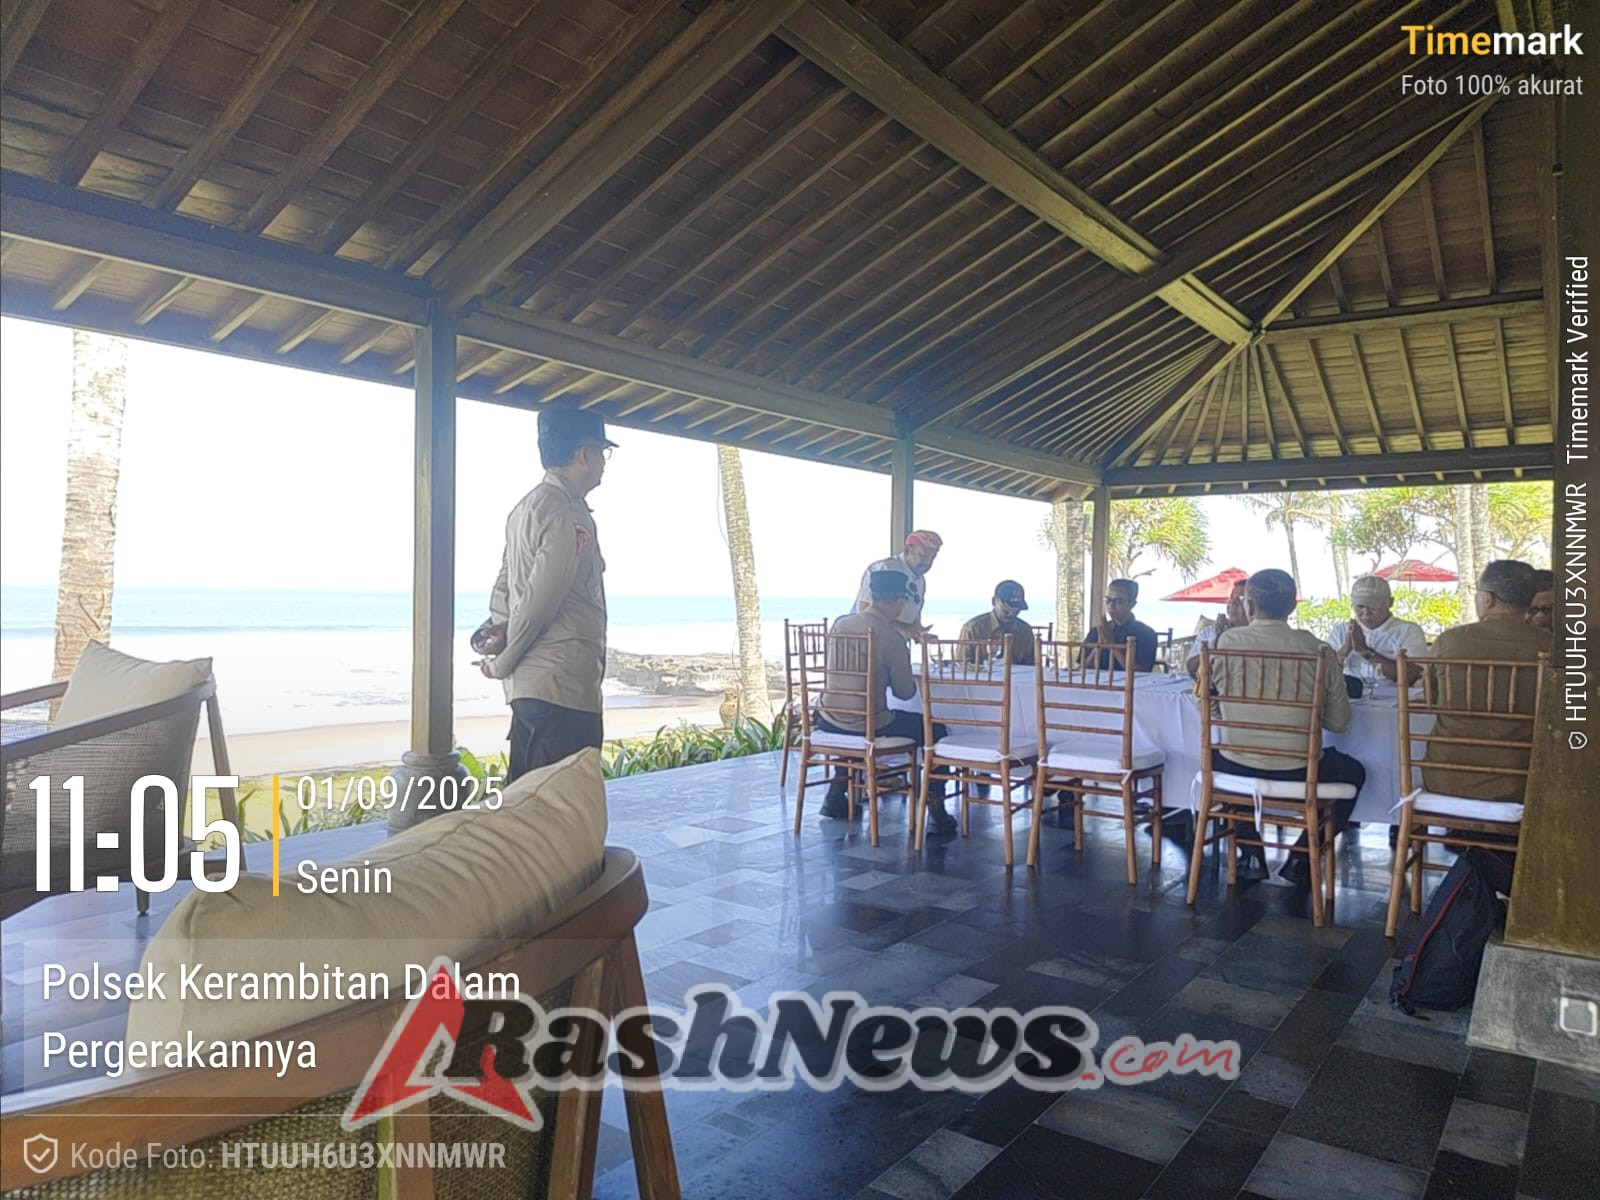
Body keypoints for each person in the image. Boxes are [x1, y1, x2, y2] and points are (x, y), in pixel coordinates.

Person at [472, 408, 614, 782]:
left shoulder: (525, 508)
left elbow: (504, 588)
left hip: (534, 693)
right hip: (562, 689)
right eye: (603, 452)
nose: (604, 464)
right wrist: (500, 664)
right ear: (584, 454)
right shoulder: (568, 513)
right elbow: (539, 603)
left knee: (526, 811)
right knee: (562, 816)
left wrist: (499, 635)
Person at [1207, 568, 1364, 886]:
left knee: (1218, 757)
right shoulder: (1318, 649)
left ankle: (1250, 852)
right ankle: (1304, 855)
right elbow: (1339, 723)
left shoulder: (1226, 642)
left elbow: (1210, 709)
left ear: (1249, 606)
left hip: (1237, 766)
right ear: (1292, 606)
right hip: (1298, 769)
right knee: (1354, 772)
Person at [817, 571, 958, 832]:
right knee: (935, 730)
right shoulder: (891, 638)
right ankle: (937, 810)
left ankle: (835, 795)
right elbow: (905, 693)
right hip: (865, 724)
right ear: (899, 602)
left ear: (871, 596)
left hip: (827, 718)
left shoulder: (840, 624)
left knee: (863, 727)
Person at [1426, 560, 1547, 802]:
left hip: (1445, 777)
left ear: (1488, 599)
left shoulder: (1449, 641)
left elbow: (1431, 698)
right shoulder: (1550, 647)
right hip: (1521, 781)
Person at [1330, 574, 1427, 686]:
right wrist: (1345, 649)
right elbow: (1323, 673)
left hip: (1396, 700)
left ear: (1390, 603)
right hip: (1350, 700)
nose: (1366, 612)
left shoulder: (1409, 631)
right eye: (1360, 606)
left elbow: (1411, 676)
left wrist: (1365, 651)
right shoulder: (1341, 631)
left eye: (1372, 606)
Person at [854, 530, 942, 641]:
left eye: (932, 557)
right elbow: (864, 611)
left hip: (896, 642)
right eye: (922, 555)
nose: (928, 562)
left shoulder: (920, 581)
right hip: (870, 641)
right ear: (907, 550)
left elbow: (914, 621)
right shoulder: (885, 568)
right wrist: (904, 629)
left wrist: (919, 633)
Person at [1082, 579, 1158, 672]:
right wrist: (1099, 645)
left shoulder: (1146, 634)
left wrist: (1111, 644)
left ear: (1132, 603)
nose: (1111, 605)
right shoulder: (1097, 631)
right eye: (1108, 600)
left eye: (1118, 601)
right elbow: (1083, 670)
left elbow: (1140, 671)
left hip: (1133, 685)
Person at [958, 580, 1035, 665]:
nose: (1011, 614)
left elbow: (1032, 666)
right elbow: (960, 665)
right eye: (1005, 610)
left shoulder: (1025, 631)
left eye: (1016, 611)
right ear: (994, 601)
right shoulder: (972, 629)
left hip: (1018, 677)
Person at [1186, 579, 1247, 678]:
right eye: (1231, 597)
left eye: (1240, 599)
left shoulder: (1257, 634)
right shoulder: (1209, 632)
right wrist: (1217, 639)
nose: (1232, 603)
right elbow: (1192, 668)